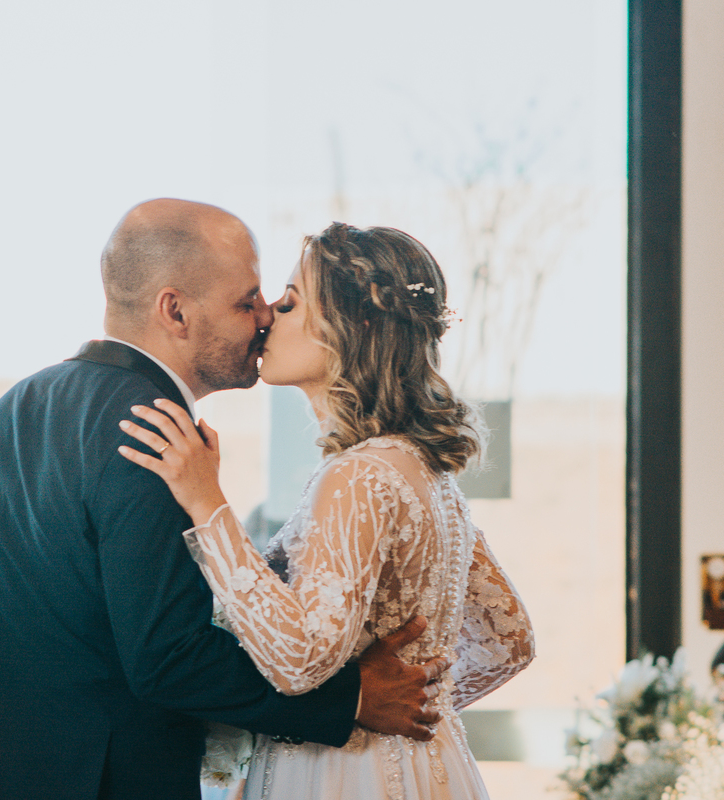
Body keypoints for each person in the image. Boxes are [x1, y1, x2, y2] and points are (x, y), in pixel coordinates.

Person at [0, 200, 450, 800]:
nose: (264, 317)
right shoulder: (157, 436)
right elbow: (168, 658)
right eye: (246, 300)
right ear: (174, 310)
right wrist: (351, 700)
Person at [120, 222, 535, 798]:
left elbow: (299, 660)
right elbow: (510, 639)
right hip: (429, 769)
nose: (266, 316)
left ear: (352, 328)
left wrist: (205, 500)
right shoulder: (423, 470)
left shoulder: (360, 476)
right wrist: (417, 703)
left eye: (289, 304)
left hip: (343, 775)